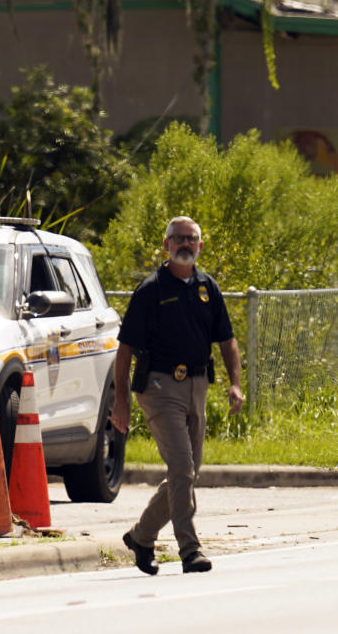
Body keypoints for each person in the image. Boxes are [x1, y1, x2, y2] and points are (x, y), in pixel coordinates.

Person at [111, 216, 244, 575]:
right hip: (158, 388)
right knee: (183, 468)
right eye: (178, 238)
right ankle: (190, 549)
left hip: (197, 385)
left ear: (200, 246)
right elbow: (125, 350)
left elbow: (227, 339)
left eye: (192, 239)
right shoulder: (150, 290)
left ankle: (141, 537)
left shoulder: (207, 287)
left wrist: (235, 382)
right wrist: (120, 401)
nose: (185, 244)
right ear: (166, 245)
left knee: (186, 473)